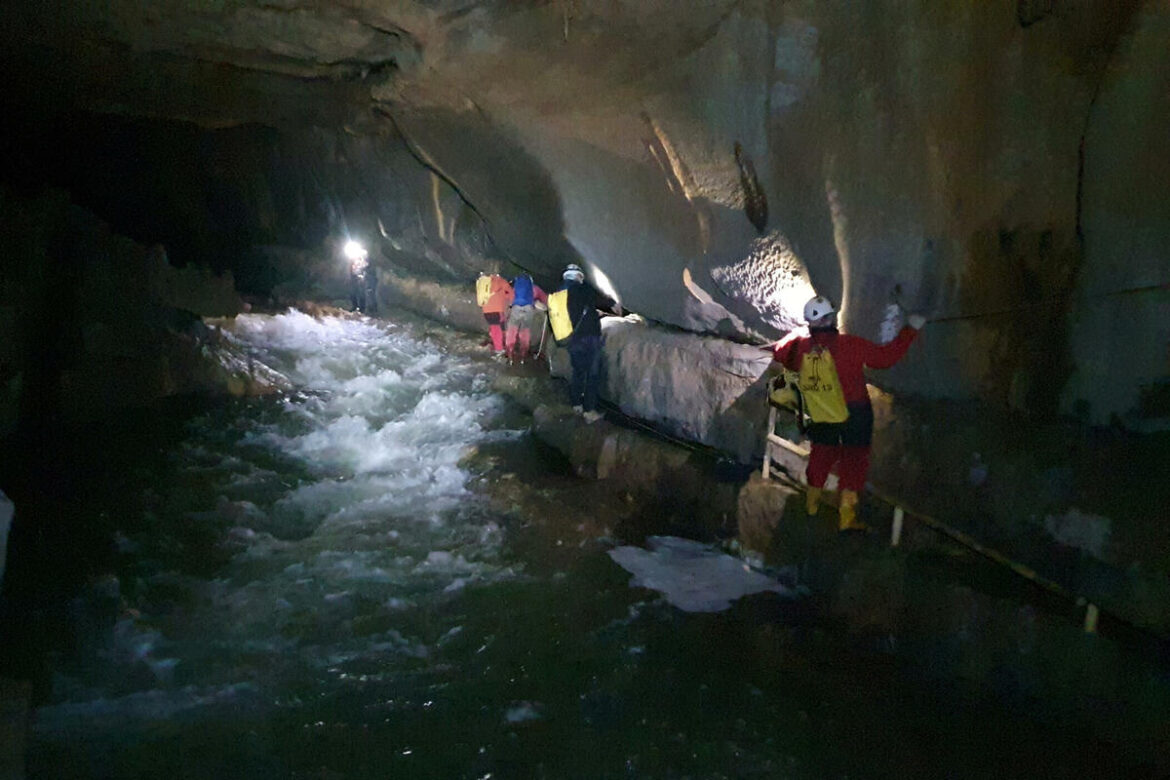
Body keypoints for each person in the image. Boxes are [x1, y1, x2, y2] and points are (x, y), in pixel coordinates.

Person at [768, 295, 925, 532]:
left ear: (810, 323)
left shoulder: (801, 347)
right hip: (855, 413)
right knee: (853, 463)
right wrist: (910, 329)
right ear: (831, 318)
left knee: (821, 456)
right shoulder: (850, 344)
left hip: (821, 410)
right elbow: (885, 358)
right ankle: (846, 518)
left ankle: (811, 507)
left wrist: (797, 335)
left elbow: (779, 353)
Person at [559, 264, 619, 423]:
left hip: (571, 339)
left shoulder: (560, 292)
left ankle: (576, 404)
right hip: (588, 338)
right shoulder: (582, 288)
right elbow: (598, 298)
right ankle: (589, 410)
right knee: (592, 373)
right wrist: (612, 303)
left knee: (578, 372)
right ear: (578, 276)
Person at [504, 273, 548, 364]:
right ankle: (523, 356)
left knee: (512, 330)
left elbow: (508, 297)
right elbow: (545, 298)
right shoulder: (534, 287)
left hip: (516, 308)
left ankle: (510, 355)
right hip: (529, 309)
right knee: (525, 331)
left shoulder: (515, 287)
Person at [479, 272, 514, 354]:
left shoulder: (485, 283)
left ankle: (495, 342)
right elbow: (512, 294)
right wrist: (510, 300)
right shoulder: (501, 281)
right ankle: (499, 348)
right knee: (497, 329)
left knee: (495, 326)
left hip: (486, 310)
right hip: (497, 310)